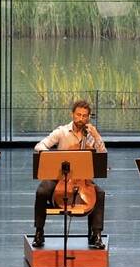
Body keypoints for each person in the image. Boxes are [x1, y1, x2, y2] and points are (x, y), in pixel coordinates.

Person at [33, 100, 107, 249]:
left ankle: (96, 234)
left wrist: (97, 136)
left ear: (88, 117)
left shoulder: (91, 135)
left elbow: (102, 154)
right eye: (78, 115)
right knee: (42, 191)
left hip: (83, 179)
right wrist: (52, 157)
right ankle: (39, 231)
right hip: (60, 178)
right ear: (72, 114)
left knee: (99, 193)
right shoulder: (62, 132)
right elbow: (39, 146)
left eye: (85, 116)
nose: (81, 119)